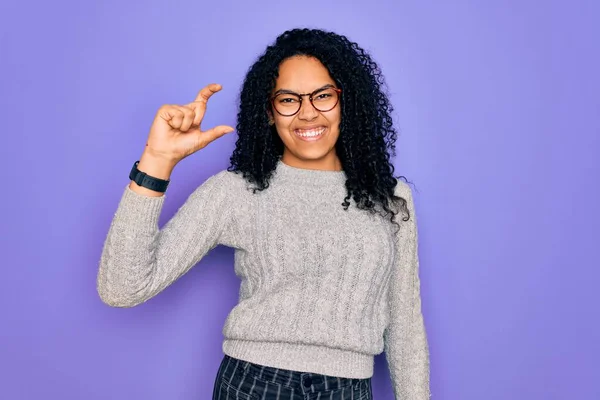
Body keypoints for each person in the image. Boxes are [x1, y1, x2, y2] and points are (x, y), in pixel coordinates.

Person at [97, 28, 430, 399]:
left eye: (323, 96)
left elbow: (404, 325)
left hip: (348, 389)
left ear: (346, 101)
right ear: (270, 112)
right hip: (253, 386)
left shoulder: (390, 198)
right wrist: (157, 162)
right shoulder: (238, 191)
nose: (307, 113)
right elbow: (121, 289)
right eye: (288, 99)